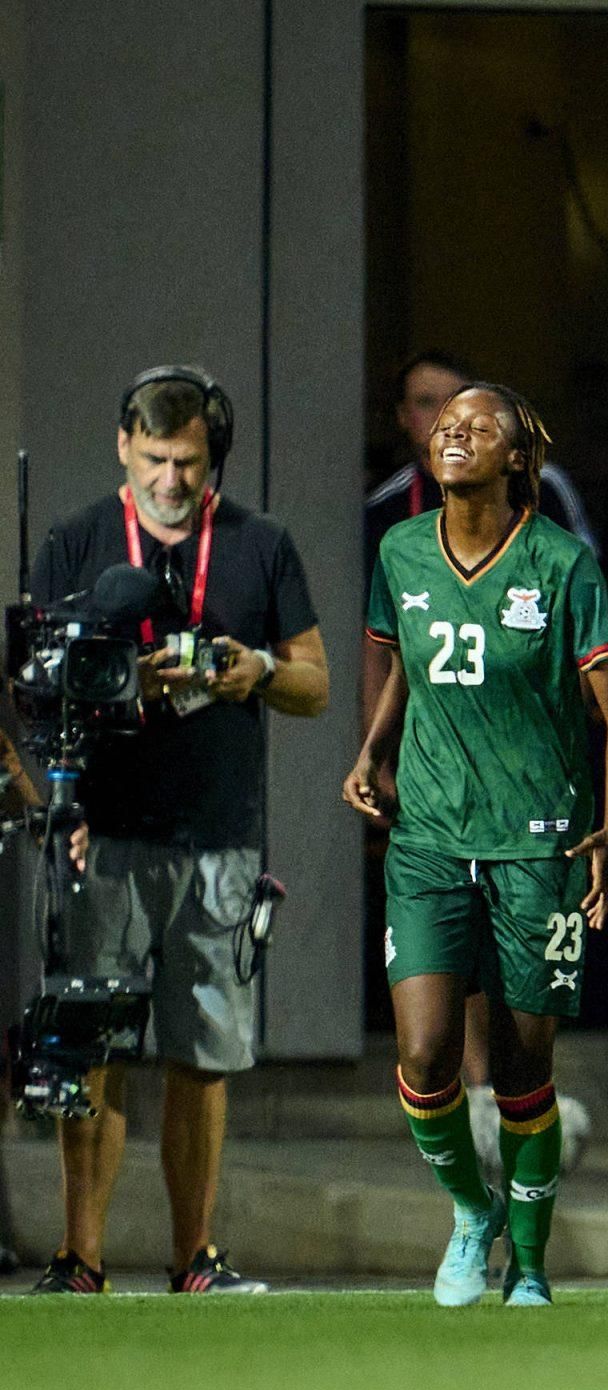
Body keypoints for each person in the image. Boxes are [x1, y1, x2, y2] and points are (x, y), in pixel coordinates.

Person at [27, 365, 331, 1296]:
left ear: (216, 459)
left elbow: (315, 685)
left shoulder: (261, 546)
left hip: (219, 837)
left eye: (188, 461)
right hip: (103, 835)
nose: (170, 479)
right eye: (155, 457)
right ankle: (81, 1259)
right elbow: (31, 685)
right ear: (124, 446)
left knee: (203, 1058)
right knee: (94, 1050)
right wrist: (110, 691)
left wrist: (252, 673)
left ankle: (194, 1257)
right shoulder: (76, 540)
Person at [344, 382, 608, 1307]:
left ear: (519, 457)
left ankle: (534, 1261)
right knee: (427, 1056)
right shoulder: (399, 549)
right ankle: (472, 1212)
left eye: (480, 428)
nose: (455, 436)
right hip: (431, 836)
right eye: (446, 427)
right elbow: (404, 658)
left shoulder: (561, 566)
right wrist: (375, 749)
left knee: (522, 1068)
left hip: (536, 843)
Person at [364, 351, 598, 570]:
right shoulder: (385, 506)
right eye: (425, 402)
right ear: (403, 416)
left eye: (456, 399)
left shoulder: (540, 482)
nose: (443, 413)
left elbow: (585, 584)